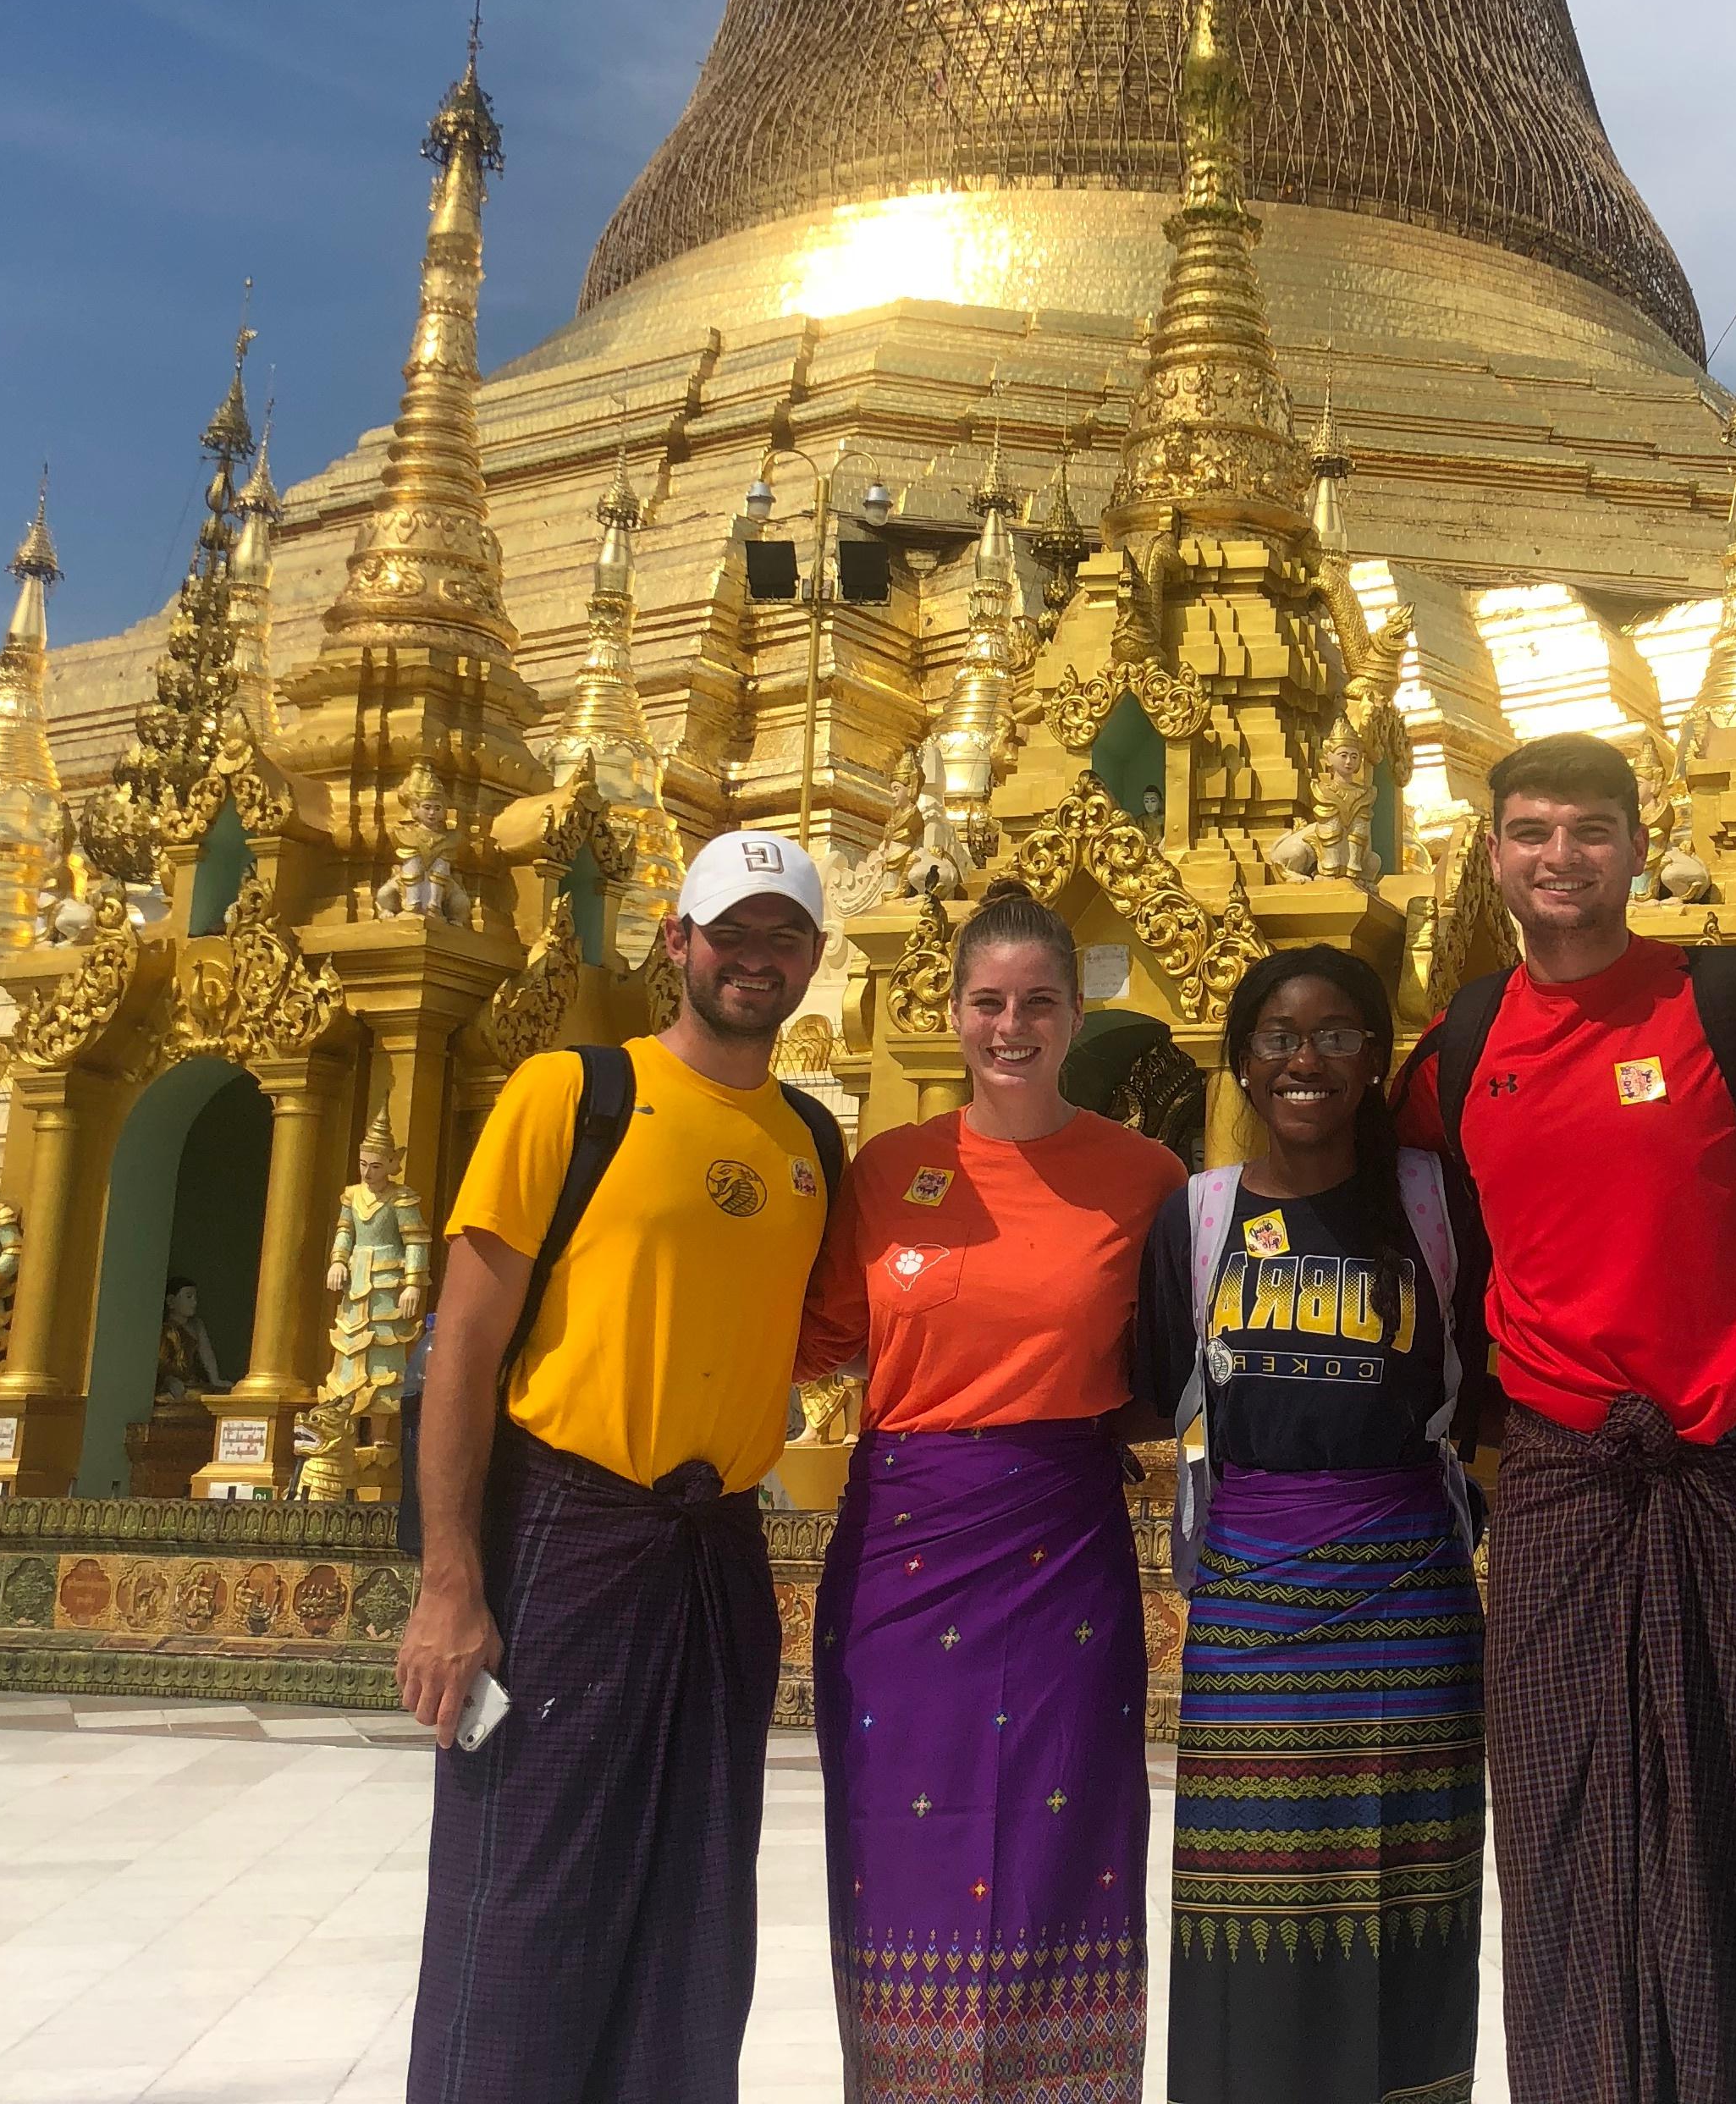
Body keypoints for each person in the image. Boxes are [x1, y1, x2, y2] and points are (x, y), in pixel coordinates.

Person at [1392, 731, 1736, 2104]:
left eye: (1591, 830)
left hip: (1735, 1468)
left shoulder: (1730, 1003)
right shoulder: (1461, 1048)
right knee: (1562, 1832)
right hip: (1559, 1480)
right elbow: (1377, 1194)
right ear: (1493, 856)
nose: (1562, 858)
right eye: (1533, 832)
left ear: (1637, 842)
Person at [398, 829, 846, 2104]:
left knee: (693, 1912)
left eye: (782, 938)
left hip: (717, 1553)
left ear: (814, 960)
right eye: (732, 933)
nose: (755, 959)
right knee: (525, 1901)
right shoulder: (571, 1093)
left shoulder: (811, 1143)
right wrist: (449, 1584)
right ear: (678, 944)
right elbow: (464, 1350)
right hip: (567, 1532)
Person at [799, 880, 1182, 2103]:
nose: (1010, 1027)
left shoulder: (1148, 1179)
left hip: (1059, 1541)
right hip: (904, 1551)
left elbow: (1171, 1368)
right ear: (953, 1013)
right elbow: (810, 1339)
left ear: (1077, 1015)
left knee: (1057, 1838)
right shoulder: (889, 1169)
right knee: (899, 1841)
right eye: (987, 1003)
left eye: (1038, 1003)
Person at [1134, 945, 1485, 2104]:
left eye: (1338, 1035)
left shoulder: (1434, 1202)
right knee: (1251, 1901)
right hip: (1251, 1602)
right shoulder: (1193, 1219)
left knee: (1403, 1898)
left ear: (1375, 1059)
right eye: (1280, 1036)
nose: (1306, 1060)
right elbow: (1157, 1395)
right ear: (1241, 1058)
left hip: (1410, 1602)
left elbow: (1488, 1385)